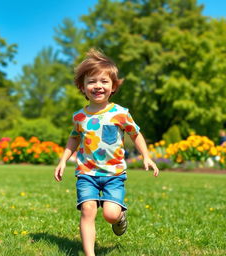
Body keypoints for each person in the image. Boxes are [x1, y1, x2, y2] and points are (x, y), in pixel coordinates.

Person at [54, 49, 159, 256]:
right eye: (92, 81)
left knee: (110, 215)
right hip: (86, 173)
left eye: (104, 81)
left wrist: (147, 156)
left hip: (114, 174)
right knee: (88, 210)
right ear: (82, 87)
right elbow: (74, 138)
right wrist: (63, 160)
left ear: (113, 87)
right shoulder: (79, 117)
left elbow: (136, 134)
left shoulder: (120, 113)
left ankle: (119, 217)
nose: (98, 86)